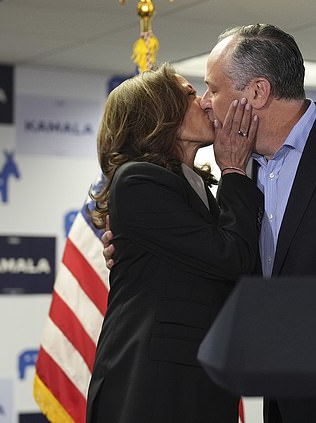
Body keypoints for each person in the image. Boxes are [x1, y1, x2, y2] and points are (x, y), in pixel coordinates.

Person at [103, 24, 316, 423]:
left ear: (257, 92)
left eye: (212, 89)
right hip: (279, 399)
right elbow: (228, 260)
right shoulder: (239, 173)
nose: (207, 102)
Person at [85, 63, 263, 423]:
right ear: (159, 114)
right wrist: (232, 170)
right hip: (151, 387)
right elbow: (231, 257)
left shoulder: (195, 186)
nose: (205, 103)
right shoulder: (138, 179)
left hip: (194, 381)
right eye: (190, 94)